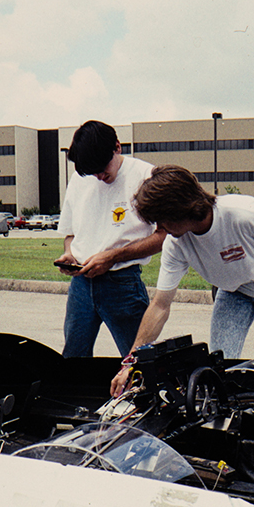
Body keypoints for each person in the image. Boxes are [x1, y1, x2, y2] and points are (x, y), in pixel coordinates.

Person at [111, 165, 254, 396]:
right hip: (234, 290)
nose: (159, 229)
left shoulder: (242, 214)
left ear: (181, 209)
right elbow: (160, 305)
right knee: (220, 366)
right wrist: (131, 362)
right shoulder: (176, 244)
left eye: (162, 221)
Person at [57, 121, 165, 357]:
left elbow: (164, 235)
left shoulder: (146, 176)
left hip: (122, 284)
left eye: (102, 167)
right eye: (92, 172)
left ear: (117, 146)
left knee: (138, 361)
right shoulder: (80, 178)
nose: (99, 175)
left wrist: (113, 256)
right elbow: (71, 232)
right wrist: (70, 254)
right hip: (81, 285)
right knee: (72, 360)